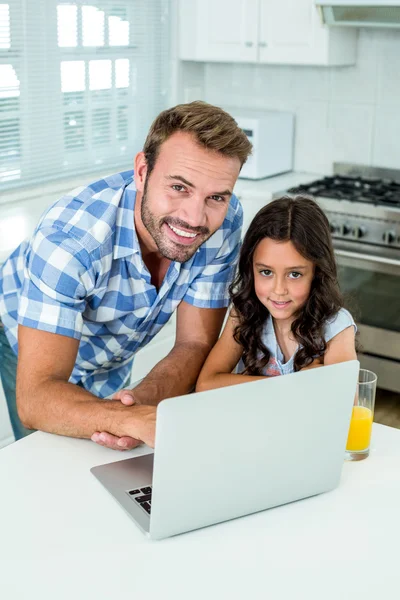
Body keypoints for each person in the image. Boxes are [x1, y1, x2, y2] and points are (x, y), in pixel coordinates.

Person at [0, 101, 252, 449]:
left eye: (216, 197)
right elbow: (37, 396)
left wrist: (135, 405)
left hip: (114, 348)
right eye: (179, 187)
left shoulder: (223, 222)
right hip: (27, 334)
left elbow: (195, 343)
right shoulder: (70, 240)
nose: (195, 217)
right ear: (142, 171)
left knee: (109, 465)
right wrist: (128, 419)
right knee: (48, 466)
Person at [196, 195, 357, 392]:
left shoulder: (336, 326)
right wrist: (293, 385)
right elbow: (206, 384)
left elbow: (345, 403)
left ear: (317, 273)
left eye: (295, 274)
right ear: (250, 268)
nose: (279, 290)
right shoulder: (244, 313)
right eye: (266, 272)